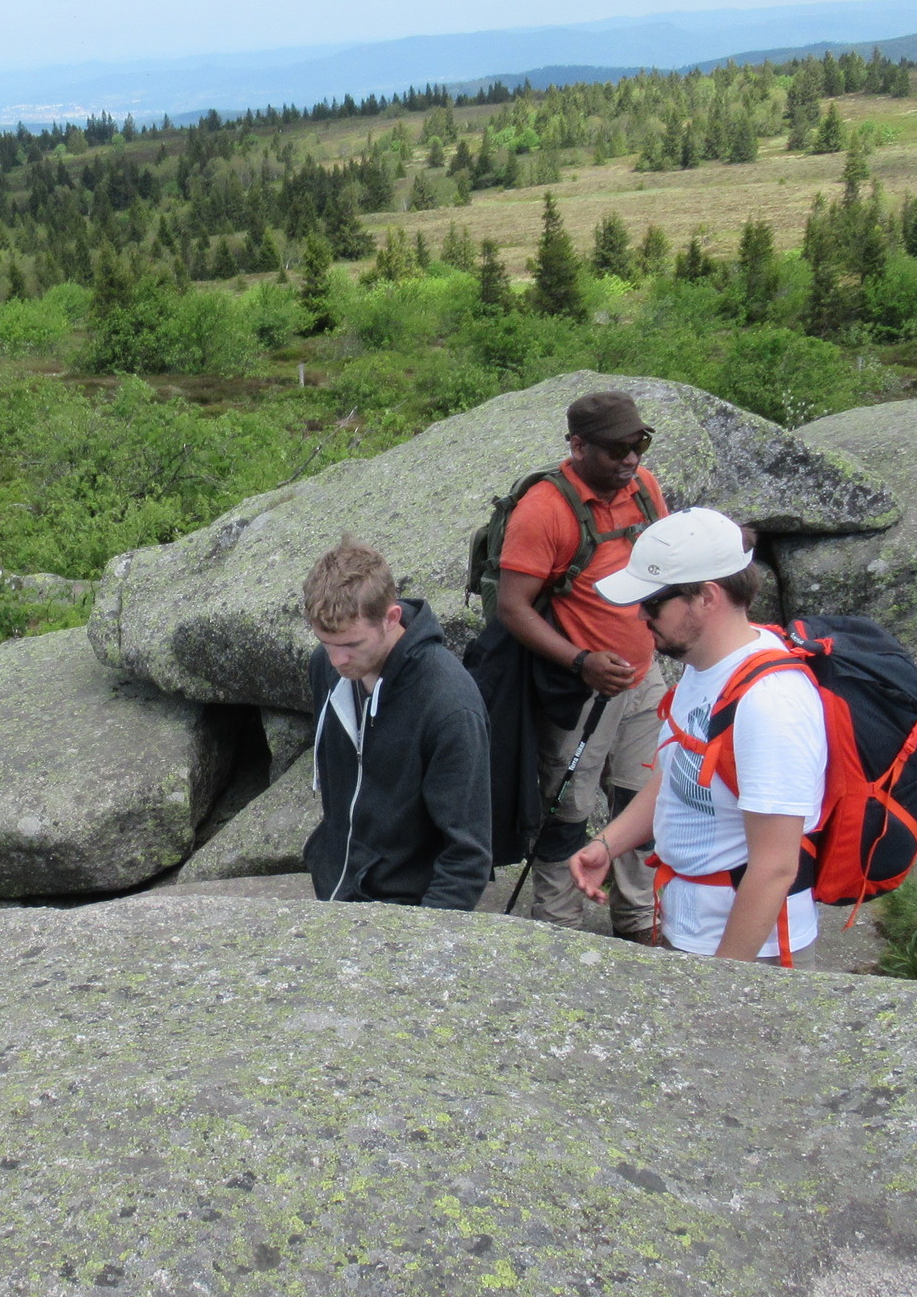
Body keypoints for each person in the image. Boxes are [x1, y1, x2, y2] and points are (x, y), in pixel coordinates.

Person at [568, 508, 828, 963]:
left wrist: (720, 982)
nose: (640, 614)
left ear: (707, 597)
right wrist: (608, 844)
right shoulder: (705, 667)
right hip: (689, 930)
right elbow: (678, 775)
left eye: (653, 602)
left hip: (752, 953)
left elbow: (775, 866)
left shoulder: (770, 704)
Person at [491, 388, 667, 937]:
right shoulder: (544, 509)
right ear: (578, 446)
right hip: (580, 691)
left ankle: (638, 918)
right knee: (567, 808)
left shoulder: (644, 489)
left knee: (642, 801)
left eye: (639, 444)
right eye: (617, 449)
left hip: (645, 678)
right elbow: (512, 607)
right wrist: (581, 661)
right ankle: (558, 925)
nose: (630, 459)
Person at [301, 539, 492, 909]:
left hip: (408, 909)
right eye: (326, 642)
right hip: (335, 892)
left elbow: (467, 856)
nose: (337, 660)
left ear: (391, 618)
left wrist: (424, 933)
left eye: (352, 645)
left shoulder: (449, 705)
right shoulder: (324, 665)